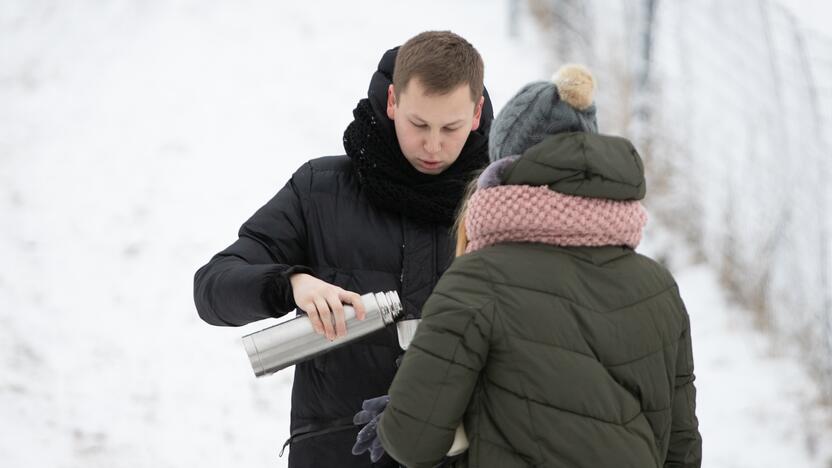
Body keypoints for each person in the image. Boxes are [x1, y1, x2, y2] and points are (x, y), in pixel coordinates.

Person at [364, 65, 702, 467]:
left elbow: (412, 441)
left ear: (503, 170)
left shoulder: (478, 279)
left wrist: (413, 405)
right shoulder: (658, 286)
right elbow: (681, 449)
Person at [193, 31, 493, 468]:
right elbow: (212, 289)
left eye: (450, 128)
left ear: (477, 113)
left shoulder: (501, 205)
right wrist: (290, 283)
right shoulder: (320, 191)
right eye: (418, 124)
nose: (433, 145)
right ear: (392, 102)